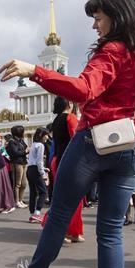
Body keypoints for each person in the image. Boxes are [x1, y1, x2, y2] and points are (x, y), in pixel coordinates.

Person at [0, 0, 135, 268]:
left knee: (59, 214)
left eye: (99, 18)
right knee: (110, 232)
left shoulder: (113, 52)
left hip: (93, 141)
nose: (95, 26)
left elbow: (83, 90)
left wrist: (35, 70)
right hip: (131, 148)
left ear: (116, 17)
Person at [48, 97, 86, 239]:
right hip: (69, 160)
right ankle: (69, 231)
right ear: (70, 103)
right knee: (74, 198)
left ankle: (66, 230)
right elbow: (78, 139)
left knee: (62, 197)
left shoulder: (56, 120)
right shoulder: (70, 118)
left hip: (57, 160)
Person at [25, 127, 49, 223]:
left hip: (30, 169)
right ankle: (37, 213)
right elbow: (39, 161)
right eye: (46, 135)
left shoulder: (33, 144)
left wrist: (43, 168)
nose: (47, 137)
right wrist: (43, 173)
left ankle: (32, 214)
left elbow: (33, 160)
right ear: (42, 135)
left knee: (33, 193)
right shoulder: (41, 145)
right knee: (43, 192)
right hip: (36, 170)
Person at [5, 124, 29, 208]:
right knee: (17, 184)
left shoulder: (21, 140)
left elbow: (25, 148)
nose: (23, 132)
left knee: (24, 184)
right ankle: (16, 201)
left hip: (23, 162)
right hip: (16, 163)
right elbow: (15, 153)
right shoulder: (12, 141)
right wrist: (25, 151)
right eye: (22, 131)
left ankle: (21, 200)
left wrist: (25, 150)